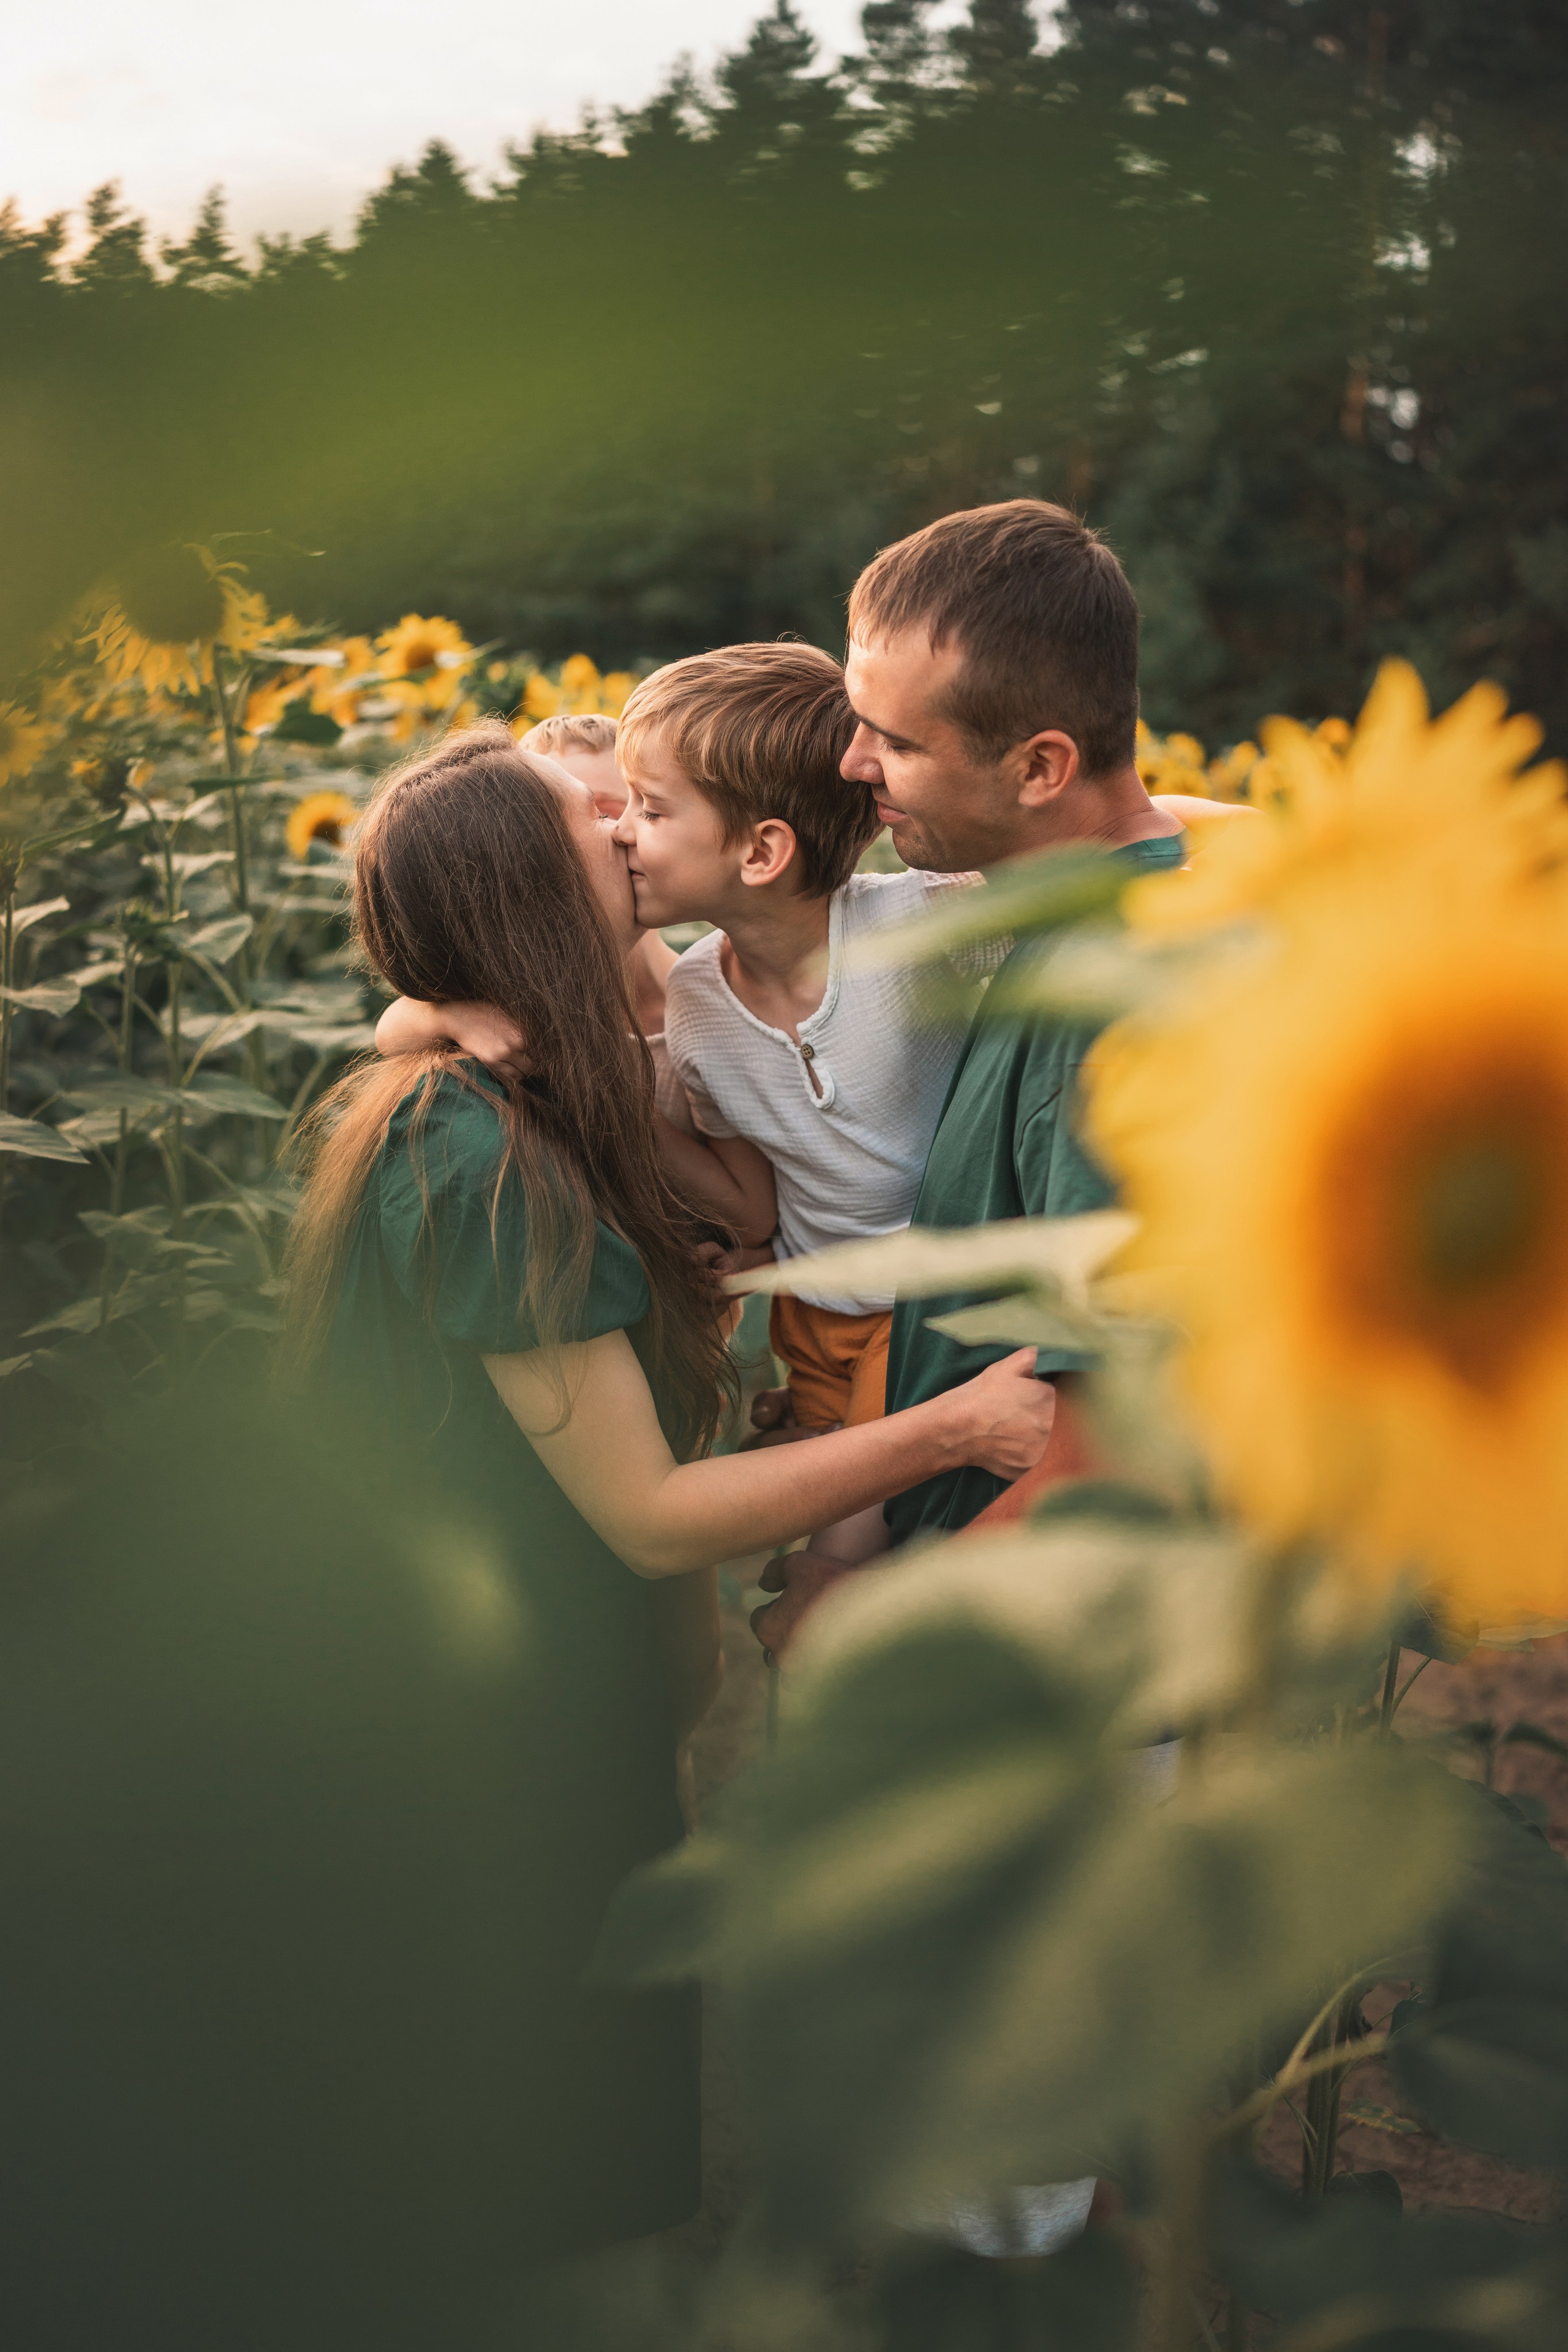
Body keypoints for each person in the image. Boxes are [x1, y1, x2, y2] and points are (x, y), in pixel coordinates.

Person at [285, 722, 1058, 2260]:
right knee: (540, 2166)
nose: (630, 832)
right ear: (530, 896)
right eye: (595, 819)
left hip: (537, 1705)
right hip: (493, 1740)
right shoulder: (476, 1161)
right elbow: (639, 1515)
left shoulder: (534, 1081)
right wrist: (951, 1427)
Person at [750, 499, 1189, 1656]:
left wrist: (879, 1634)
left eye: (893, 741)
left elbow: (1120, 1440)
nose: (854, 765)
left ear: (1042, 765)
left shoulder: (1112, 997)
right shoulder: (1089, 910)